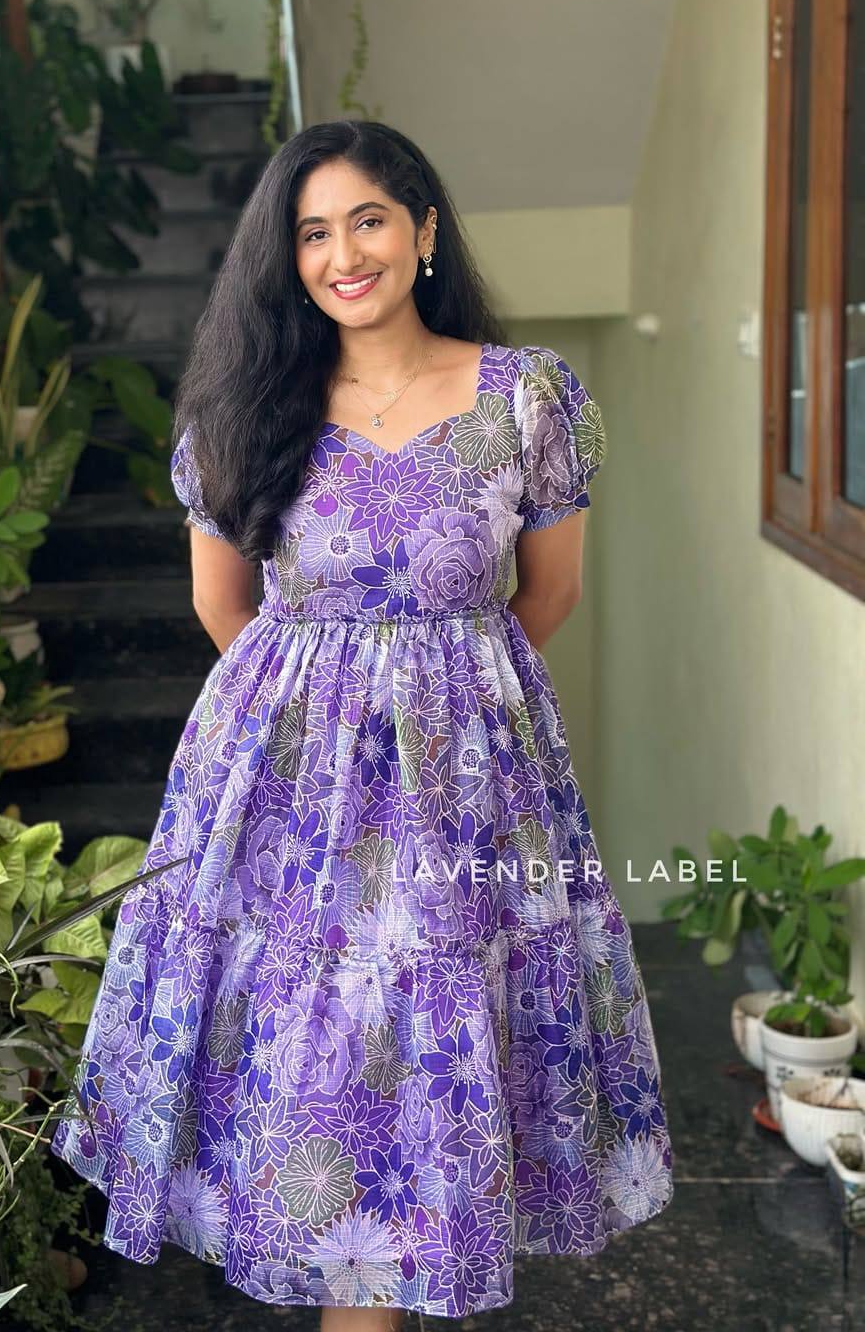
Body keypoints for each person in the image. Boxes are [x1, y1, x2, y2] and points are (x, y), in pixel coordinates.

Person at [51, 120, 674, 1328]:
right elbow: (222, 609)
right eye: (314, 233)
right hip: (289, 804)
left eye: (369, 220)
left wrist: (433, 713)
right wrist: (332, 728)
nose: (345, 253)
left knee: (428, 1058)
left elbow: (547, 596)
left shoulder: (526, 397)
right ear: (287, 260)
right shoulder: (242, 411)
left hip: (467, 793)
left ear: (425, 230)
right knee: (323, 1074)